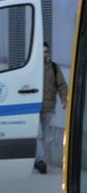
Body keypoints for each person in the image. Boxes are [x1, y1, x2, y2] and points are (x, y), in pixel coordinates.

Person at [35, 42, 68, 174]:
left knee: (46, 136)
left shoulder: (54, 68)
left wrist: (64, 99)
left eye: (46, 52)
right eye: (43, 52)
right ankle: (41, 161)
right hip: (34, 107)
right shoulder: (33, 67)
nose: (45, 54)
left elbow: (62, 85)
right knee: (38, 135)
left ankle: (40, 159)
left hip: (48, 107)